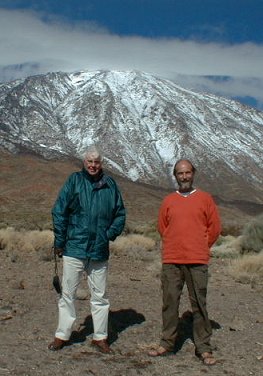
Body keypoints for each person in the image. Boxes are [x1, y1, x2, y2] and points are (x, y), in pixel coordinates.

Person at [48, 145, 126, 353]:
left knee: (100, 296)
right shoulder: (74, 181)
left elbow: (120, 214)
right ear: (84, 162)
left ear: (102, 163)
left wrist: (108, 235)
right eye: (90, 161)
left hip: (99, 250)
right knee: (68, 294)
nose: (93, 165)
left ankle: (100, 337)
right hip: (74, 247)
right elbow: (59, 211)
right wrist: (60, 241)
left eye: (97, 161)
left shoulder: (110, 185)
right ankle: (62, 335)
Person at [148, 159, 221, 365]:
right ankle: (167, 343)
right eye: (180, 173)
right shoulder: (169, 200)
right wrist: (175, 243)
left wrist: (199, 245)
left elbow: (214, 228)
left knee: (199, 303)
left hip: (197, 260)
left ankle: (203, 348)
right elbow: (162, 227)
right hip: (172, 259)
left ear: (193, 173)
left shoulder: (205, 199)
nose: (184, 177)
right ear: (175, 176)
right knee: (170, 302)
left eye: (188, 172)